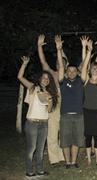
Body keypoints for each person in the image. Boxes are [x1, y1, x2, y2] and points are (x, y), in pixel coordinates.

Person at [18, 56, 58, 177]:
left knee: (40, 149)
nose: (46, 79)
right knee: (32, 148)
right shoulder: (32, 88)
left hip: (44, 123)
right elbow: (20, 77)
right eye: (44, 77)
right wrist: (24, 64)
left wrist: (50, 100)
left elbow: (49, 110)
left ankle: (40, 170)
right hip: (32, 123)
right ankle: (30, 171)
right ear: (40, 78)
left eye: (48, 78)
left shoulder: (49, 93)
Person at [56, 35, 85, 169]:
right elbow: (61, 67)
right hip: (65, 116)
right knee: (65, 140)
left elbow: (85, 65)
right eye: (69, 71)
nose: (72, 72)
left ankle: (74, 162)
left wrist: (86, 49)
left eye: (74, 71)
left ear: (77, 72)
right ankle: (68, 162)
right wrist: (59, 49)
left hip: (79, 115)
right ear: (66, 72)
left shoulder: (80, 81)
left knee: (77, 139)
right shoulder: (63, 82)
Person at [36, 34, 65, 166]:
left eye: (63, 63)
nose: (60, 64)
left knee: (63, 133)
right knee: (53, 132)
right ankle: (54, 158)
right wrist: (39, 47)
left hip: (67, 107)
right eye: (58, 63)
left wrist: (60, 49)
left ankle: (62, 155)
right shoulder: (53, 74)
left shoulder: (71, 74)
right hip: (55, 105)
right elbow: (43, 62)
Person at [79, 37, 97, 166]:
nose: (94, 70)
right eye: (92, 68)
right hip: (88, 111)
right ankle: (89, 160)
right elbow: (84, 66)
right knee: (88, 136)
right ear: (90, 70)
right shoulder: (85, 81)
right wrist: (88, 50)